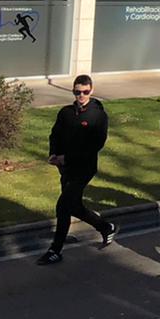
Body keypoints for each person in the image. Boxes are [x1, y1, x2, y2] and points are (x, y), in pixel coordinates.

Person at [38, 76, 115, 265]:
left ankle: (55, 250)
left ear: (91, 90)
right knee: (74, 206)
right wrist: (54, 154)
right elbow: (54, 134)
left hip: (84, 168)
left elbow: (95, 145)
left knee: (63, 205)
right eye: (77, 92)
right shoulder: (65, 113)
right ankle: (105, 227)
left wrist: (68, 157)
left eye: (85, 92)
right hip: (65, 167)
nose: (81, 95)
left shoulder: (98, 116)